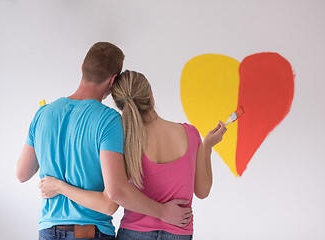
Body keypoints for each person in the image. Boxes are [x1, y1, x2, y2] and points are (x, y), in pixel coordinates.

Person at [16, 43, 191, 240]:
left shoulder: (43, 113)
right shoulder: (109, 120)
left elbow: (22, 174)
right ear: (113, 80)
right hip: (90, 233)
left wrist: (58, 184)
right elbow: (109, 204)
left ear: (82, 68)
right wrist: (163, 212)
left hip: (48, 231)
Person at [39, 70, 227, 239]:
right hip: (179, 231)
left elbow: (116, 192)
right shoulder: (191, 134)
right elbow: (202, 191)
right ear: (151, 95)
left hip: (134, 233)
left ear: (121, 105)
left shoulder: (123, 139)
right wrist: (207, 147)